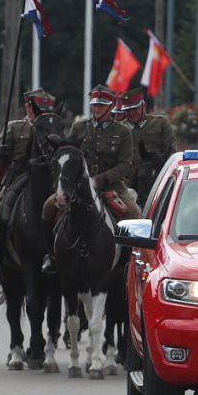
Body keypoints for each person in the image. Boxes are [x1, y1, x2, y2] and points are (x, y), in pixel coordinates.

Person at [39, 85, 138, 274]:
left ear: (111, 106)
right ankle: (50, 255)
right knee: (48, 206)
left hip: (112, 186)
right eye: (94, 105)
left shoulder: (123, 131)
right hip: (80, 185)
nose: (97, 109)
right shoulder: (79, 127)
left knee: (133, 211)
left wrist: (103, 178)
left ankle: (129, 263)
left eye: (101, 105)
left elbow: (125, 164)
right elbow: (68, 153)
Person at [0, 87, 57, 277]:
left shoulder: (52, 127)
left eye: (44, 110)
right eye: (36, 108)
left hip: (48, 180)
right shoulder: (14, 127)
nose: (39, 113)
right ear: (28, 107)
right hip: (17, 179)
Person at [119, 87, 176, 207]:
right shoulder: (119, 129)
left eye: (135, 109)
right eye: (128, 110)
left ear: (143, 105)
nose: (131, 113)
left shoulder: (161, 123)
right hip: (128, 185)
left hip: (157, 179)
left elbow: (171, 153)